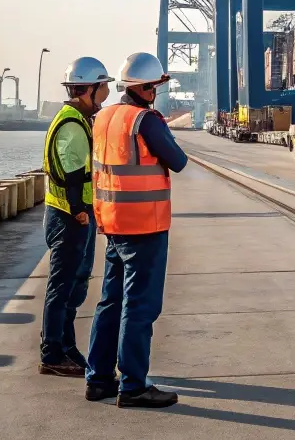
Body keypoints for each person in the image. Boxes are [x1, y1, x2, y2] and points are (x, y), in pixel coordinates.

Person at [85, 52, 188, 408]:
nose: (157, 92)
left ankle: (98, 379)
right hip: (144, 225)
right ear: (145, 88)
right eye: (156, 86)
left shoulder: (104, 117)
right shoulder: (145, 120)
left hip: (112, 222)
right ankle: (132, 386)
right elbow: (178, 161)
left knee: (110, 301)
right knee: (141, 306)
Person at [39, 56, 113, 377]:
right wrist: (79, 210)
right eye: (103, 87)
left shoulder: (80, 119)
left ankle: (66, 345)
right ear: (89, 89)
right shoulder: (72, 124)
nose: (106, 92)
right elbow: (71, 170)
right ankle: (51, 353)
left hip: (71, 216)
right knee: (62, 285)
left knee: (75, 283)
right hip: (68, 218)